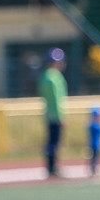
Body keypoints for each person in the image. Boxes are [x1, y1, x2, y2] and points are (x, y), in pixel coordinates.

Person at [39, 48, 68, 177]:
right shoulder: (55, 77)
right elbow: (57, 99)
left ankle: (50, 166)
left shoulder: (45, 76)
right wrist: (61, 116)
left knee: (50, 142)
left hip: (48, 114)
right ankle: (53, 167)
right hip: (55, 115)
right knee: (54, 143)